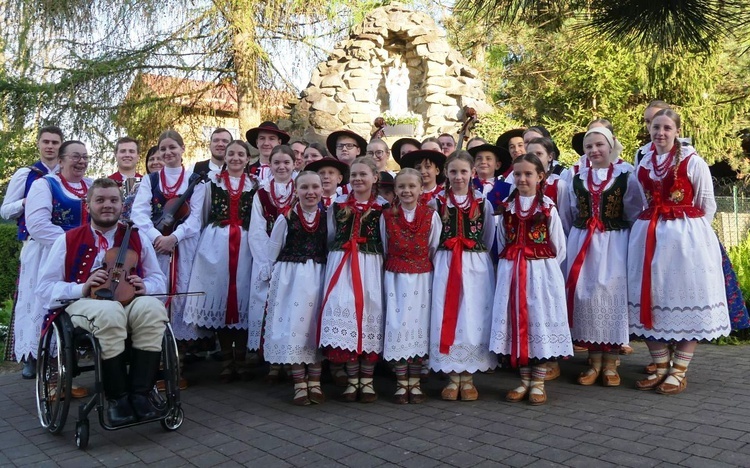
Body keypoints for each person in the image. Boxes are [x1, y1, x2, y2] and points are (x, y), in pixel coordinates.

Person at [36, 178, 168, 426]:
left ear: (121, 205)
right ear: (88, 206)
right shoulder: (67, 239)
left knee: (152, 309)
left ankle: (140, 395)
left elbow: (157, 279)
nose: (107, 205)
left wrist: (146, 286)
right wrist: (82, 287)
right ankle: (117, 399)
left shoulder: (137, 237)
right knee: (109, 313)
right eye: (100, 200)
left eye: (113, 200)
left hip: (129, 300)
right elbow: (44, 288)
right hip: (84, 303)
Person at [628, 109, 730, 395]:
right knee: (649, 299)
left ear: (676, 131)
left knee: (689, 299)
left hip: (686, 242)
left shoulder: (692, 161)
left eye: (667, 128)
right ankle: (660, 366)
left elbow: (707, 203)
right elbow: (637, 202)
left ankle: (679, 370)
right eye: (656, 127)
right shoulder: (643, 163)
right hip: (649, 239)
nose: (660, 133)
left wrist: (694, 239)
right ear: (649, 130)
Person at [491, 154, 572, 405]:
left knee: (539, 322)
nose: (522, 178)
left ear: (540, 177)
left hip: (540, 274)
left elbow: (559, 246)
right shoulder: (506, 206)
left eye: (528, 174)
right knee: (517, 324)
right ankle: (524, 381)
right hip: (512, 272)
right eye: (518, 174)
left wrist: (543, 270)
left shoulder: (547, 207)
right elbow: (502, 239)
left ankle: (537, 382)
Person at [131, 129, 210, 387]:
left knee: (181, 297)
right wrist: (157, 237)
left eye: (172, 148)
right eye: (163, 149)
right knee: (158, 294)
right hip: (155, 248)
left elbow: (196, 217)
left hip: (184, 246)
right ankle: (157, 363)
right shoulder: (150, 180)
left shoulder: (194, 180)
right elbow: (139, 213)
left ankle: (178, 365)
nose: (168, 153)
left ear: (182, 149)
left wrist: (173, 238)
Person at [562, 128, 641, 386]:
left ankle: (611, 364)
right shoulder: (576, 178)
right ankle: (594, 362)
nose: (594, 150)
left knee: (612, 296)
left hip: (614, 242)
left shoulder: (626, 176)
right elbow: (572, 210)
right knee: (588, 298)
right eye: (589, 147)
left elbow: (633, 209)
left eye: (599, 145)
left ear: (610, 147)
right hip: (583, 240)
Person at [23, 140, 93, 396]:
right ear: (61, 160)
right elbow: (38, 225)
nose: (81, 161)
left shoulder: (92, 185)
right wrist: (72, 244)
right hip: (50, 256)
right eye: (75, 156)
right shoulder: (45, 185)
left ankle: (68, 376)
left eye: (85, 157)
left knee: (76, 311)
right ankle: (53, 382)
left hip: (84, 258)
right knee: (50, 310)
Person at [184, 140, 255, 382]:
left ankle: (242, 359)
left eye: (240, 154)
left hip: (245, 246)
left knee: (243, 297)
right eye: (231, 153)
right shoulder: (210, 183)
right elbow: (203, 214)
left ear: (247, 159)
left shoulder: (256, 185)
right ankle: (226, 359)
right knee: (222, 297)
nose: (235, 158)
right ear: (224, 157)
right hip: (215, 246)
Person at [318, 157, 388, 403]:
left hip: (370, 265)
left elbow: (385, 239)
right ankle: (351, 380)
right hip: (342, 264)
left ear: (375, 177)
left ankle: (366, 381)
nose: (358, 179)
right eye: (354, 175)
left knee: (370, 314)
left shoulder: (382, 207)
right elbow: (330, 235)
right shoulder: (337, 205)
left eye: (363, 174)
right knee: (344, 311)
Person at [430, 152, 496, 401]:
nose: (459, 177)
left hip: (475, 266)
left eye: (464, 172)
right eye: (454, 171)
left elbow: (488, 237)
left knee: (472, 314)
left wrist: (476, 256)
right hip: (446, 263)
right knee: (447, 312)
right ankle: (451, 374)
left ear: (473, 173)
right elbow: (432, 239)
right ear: (446, 173)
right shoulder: (436, 203)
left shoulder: (482, 203)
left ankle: (467, 376)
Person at [1, 126, 63, 373]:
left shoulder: (67, 175)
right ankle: (30, 355)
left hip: (62, 246)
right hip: (36, 244)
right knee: (32, 298)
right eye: (46, 141)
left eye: (55, 142)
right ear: (38, 144)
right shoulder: (27, 174)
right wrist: (28, 201)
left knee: (57, 297)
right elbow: (5, 210)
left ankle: (56, 353)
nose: (50, 146)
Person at [264, 171, 328, 405]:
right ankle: (300, 383)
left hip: (318, 276)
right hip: (291, 278)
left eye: (315, 187)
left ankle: (316, 381)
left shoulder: (328, 216)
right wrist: (268, 275)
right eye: (304, 188)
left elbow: (330, 245)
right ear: (296, 190)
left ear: (322, 190)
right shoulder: (286, 216)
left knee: (314, 327)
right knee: (295, 326)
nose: (310, 192)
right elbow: (273, 247)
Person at [380, 168, 441, 404]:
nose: (406, 191)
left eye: (411, 186)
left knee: (418, 325)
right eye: (401, 187)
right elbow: (384, 246)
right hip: (395, 276)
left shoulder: (430, 215)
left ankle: (414, 381)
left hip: (421, 277)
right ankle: (400, 381)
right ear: (395, 190)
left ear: (420, 189)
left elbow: (434, 246)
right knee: (397, 325)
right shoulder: (387, 215)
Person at [247, 145, 297, 381]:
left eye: (286, 162)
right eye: (277, 162)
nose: (282, 166)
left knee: (290, 308)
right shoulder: (262, 194)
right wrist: (266, 261)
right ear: (270, 165)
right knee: (269, 307)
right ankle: (272, 361)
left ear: (294, 164)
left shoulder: (300, 189)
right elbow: (256, 230)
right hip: (268, 257)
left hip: (294, 256)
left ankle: (290, 357)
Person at [108, 137, 144, 220]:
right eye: (123, 151)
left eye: (131, 151)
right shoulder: (105, 183)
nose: (127, 155)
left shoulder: (147, 182)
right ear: (116, 155)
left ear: (138, 156)